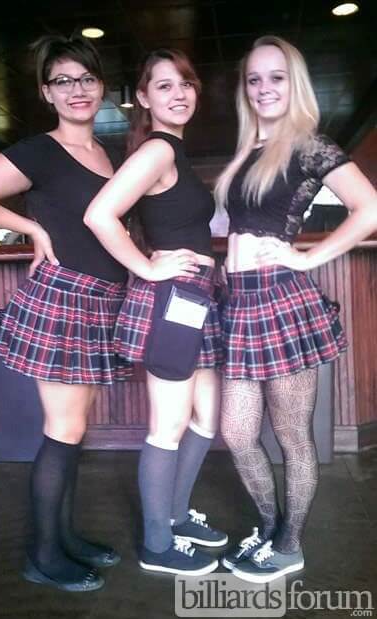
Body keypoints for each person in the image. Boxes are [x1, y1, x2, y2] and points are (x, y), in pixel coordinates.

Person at [0, 34, 134, 592]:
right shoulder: (39, 151)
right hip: (63, 298)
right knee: (63, 430)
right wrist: (31, 228)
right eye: (63, 80)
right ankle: (42, 556)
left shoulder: (108, 153)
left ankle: (63, 537)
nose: (76, 89)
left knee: (73, 430)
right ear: (46, 92)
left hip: (103, 301)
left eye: (86, 78)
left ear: (102, 86)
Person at [214, 35, 377, 583]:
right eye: (254, 79)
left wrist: (307, 257)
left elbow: (370, 207)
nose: (264, 88)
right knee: (238, 433)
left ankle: (289, 546)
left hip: (282, 301)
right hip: (240, 305)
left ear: (295, 83)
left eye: (276, 77)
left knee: (292, 436)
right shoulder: (248, 150)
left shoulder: (308, 145)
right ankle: (270, 530)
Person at [84, 48, 227, 575]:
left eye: (185, 83)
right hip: (172, 303)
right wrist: (146, 266)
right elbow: (100, 214)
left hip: (196, 300)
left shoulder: (174, 152)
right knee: (168, 425)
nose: (179, 94)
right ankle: (156, 544)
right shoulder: (158, 150)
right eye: (164, 86)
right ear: (143, 98)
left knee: (206, 419)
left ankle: (175, 516)